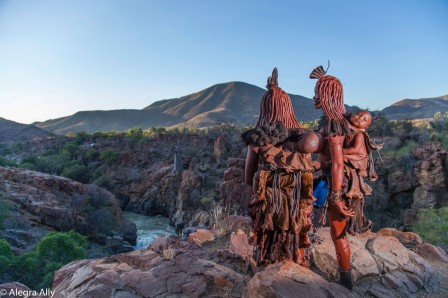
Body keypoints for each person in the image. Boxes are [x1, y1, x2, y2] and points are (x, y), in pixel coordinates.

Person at [243, 68, 319, 267]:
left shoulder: (257, 141)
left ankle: (269, 275)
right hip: (297, 204)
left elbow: (248, 177)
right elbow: (308, 171)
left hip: (270, 205)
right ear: (289, 108)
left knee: (269, 240)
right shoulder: (302, 139)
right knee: (298, 236)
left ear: (265, 109)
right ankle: (300, 270)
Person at [310, 65, 355, 289]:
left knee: (339, 233)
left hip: (336, 184)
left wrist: (336, 196)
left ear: (327, 94)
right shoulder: (338, 119)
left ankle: (346, 283)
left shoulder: (334, 124)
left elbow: (338, 162)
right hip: (330, 180)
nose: (314, 96)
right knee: (337, 232)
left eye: (318, 91)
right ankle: (345, 281)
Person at [343, 110, 383, 234]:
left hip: (356, 161)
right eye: (359, 115)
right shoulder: (351, 130)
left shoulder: (360, 135)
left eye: (364, 119)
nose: (360, 118)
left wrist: (340, 150)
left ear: (366, 126)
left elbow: (355, 149)